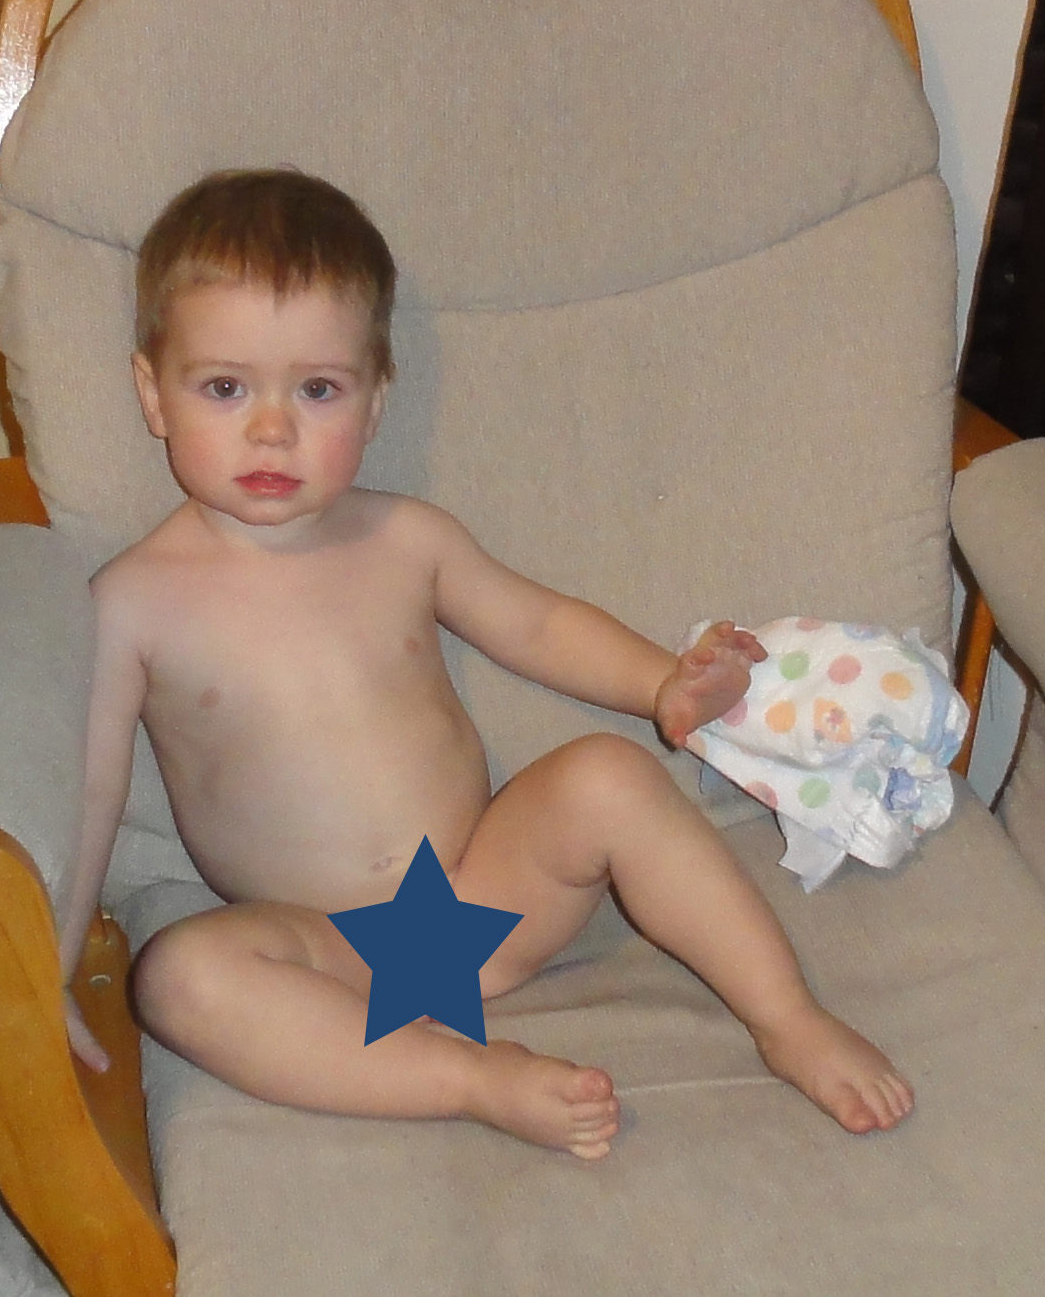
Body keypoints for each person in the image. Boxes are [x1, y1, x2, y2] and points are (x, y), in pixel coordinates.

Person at [62, 169, 913, 1160]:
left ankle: (786, 1015)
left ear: (375, 402)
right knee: (179, 977)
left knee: (609, 772)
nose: (271, 428)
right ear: (152, 394)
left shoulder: (407, 538)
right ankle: (468, 1078)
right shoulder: (132, 601)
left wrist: (662, 684)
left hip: (485, 899)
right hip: (322, 952)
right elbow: (89, 791)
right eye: (224, 386)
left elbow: (538, 625)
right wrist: (50, 950)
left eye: (318, 389)